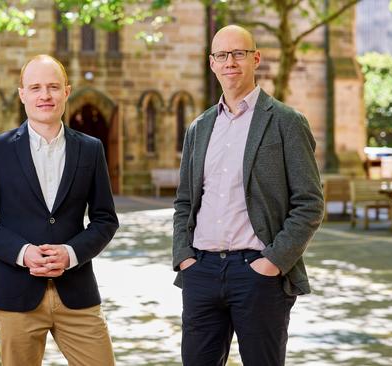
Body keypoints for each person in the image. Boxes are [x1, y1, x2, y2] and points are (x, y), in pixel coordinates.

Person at [172, 25, 324, 366]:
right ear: (212, 63)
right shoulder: (199, 127)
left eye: (238, 53)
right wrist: (185, 257)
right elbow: (184, 201)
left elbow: (310, 203)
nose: (230, 62)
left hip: (258, 274)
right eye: (222, 55)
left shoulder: (286, 121)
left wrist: (272, 263)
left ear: (256, 58)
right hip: (202, 271)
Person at [0, 54, 118, 366]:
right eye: (35, 88)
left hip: (77, 293)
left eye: (53, 87)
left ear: (66, 91)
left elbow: (105, 219)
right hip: (16, 294)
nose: (45, 95)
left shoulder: (90, 148)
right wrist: (23, 252)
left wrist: (71, 253)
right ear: (22, 94)